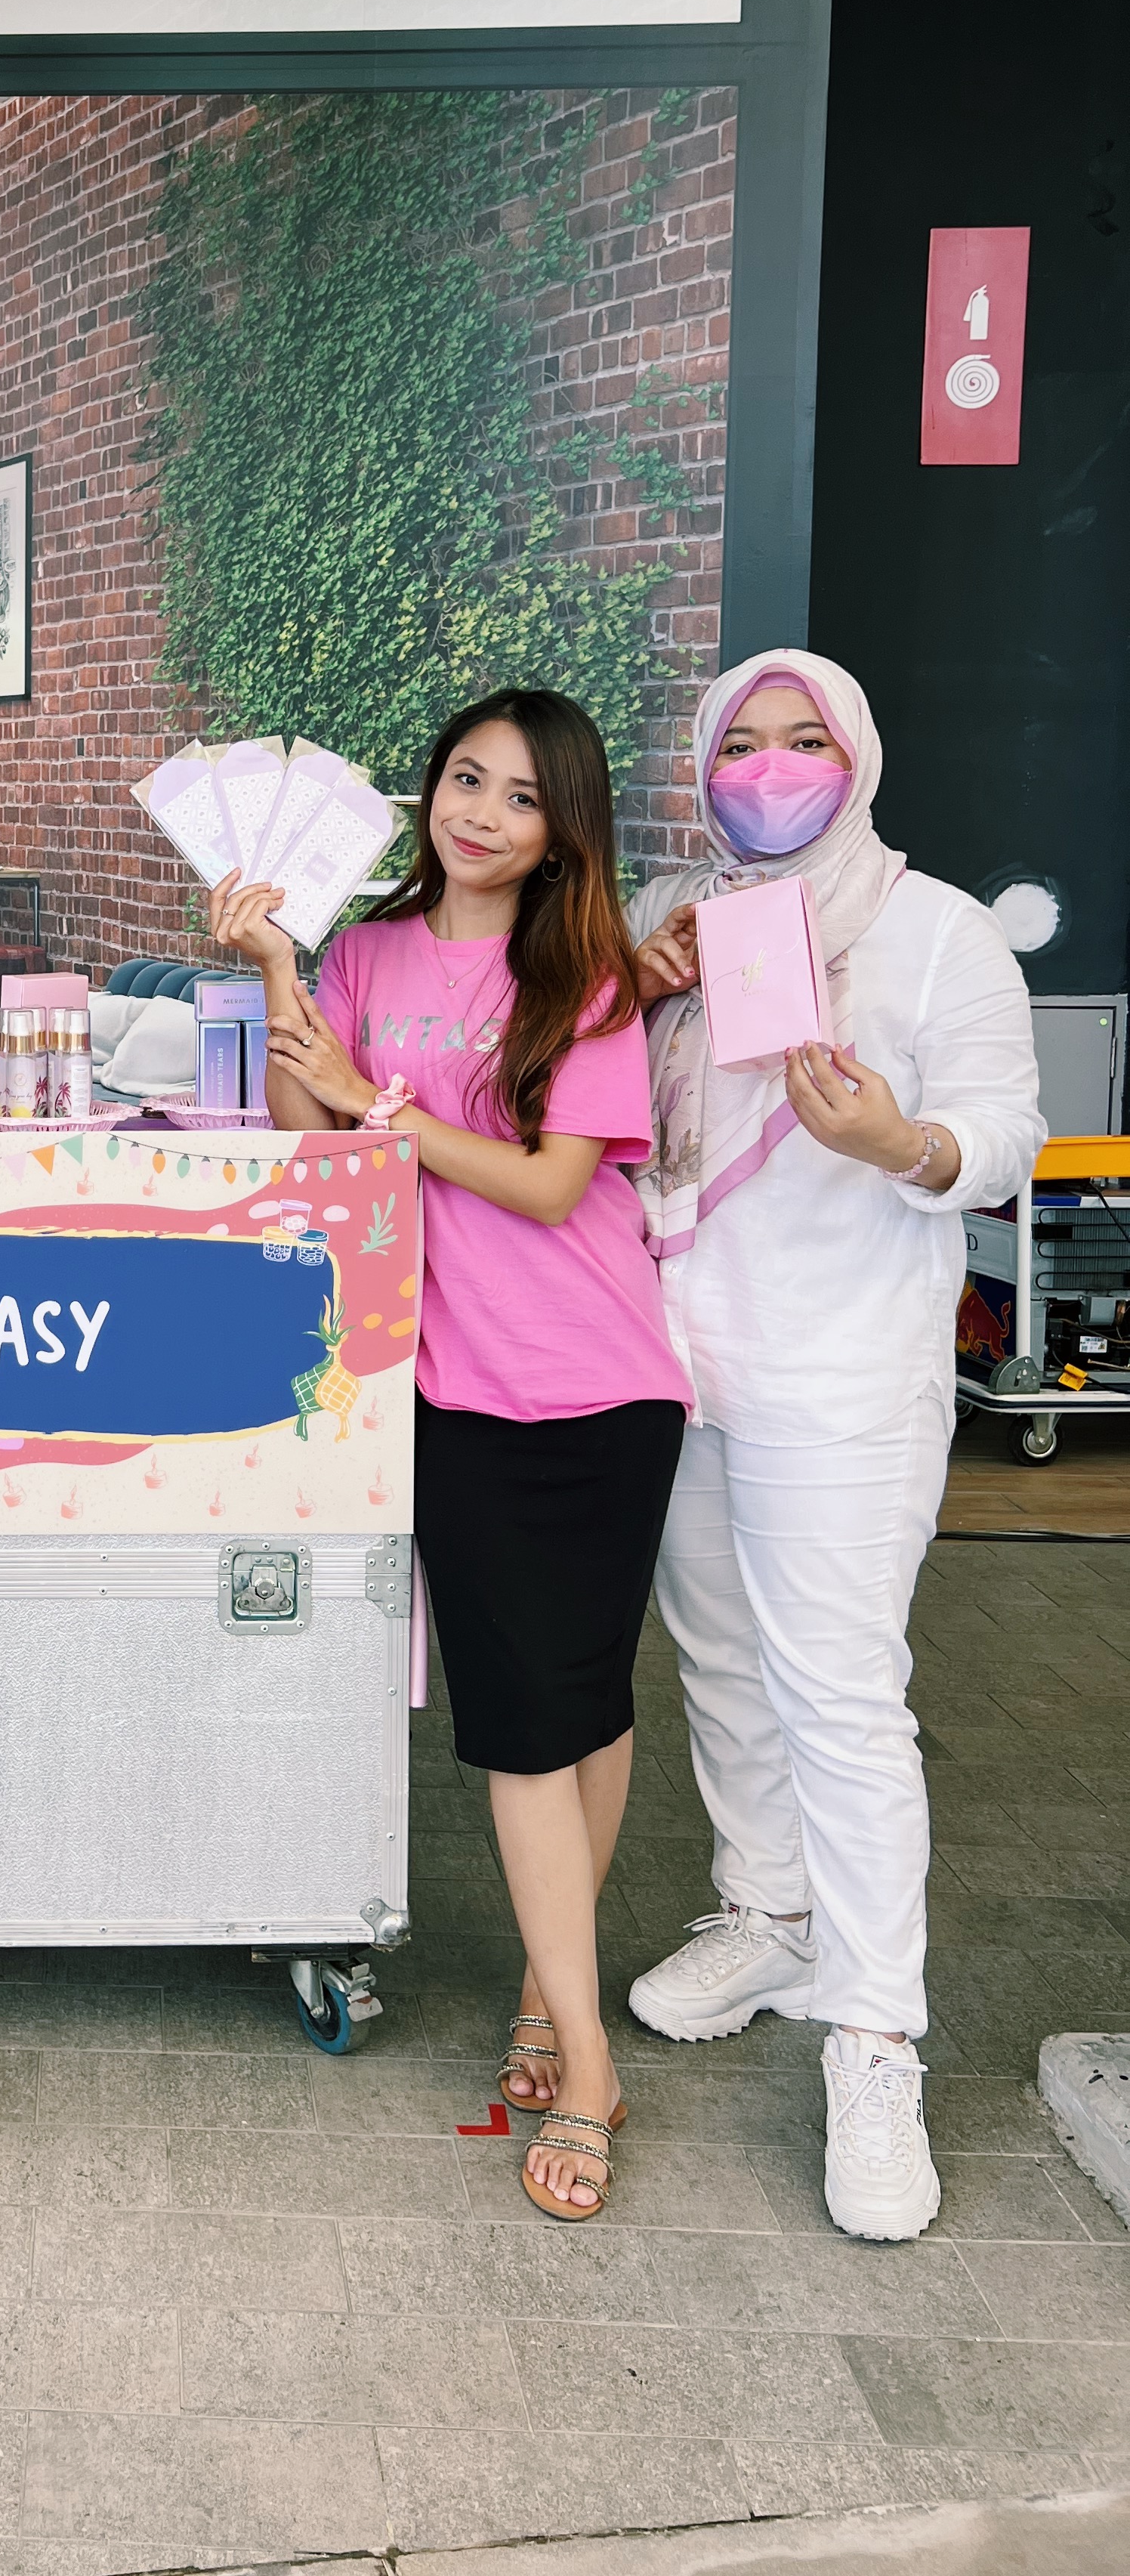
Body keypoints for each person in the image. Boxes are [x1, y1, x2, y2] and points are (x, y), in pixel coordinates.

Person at [211, 691, 690, 2222]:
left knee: (586, 1709)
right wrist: (280, 973)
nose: (482, 813)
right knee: (522, 1728)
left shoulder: (585, 978)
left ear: (562, 832)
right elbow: (316, 1142)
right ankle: (591, 2051)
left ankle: (558, 2007)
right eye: (466, 779)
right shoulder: (365, 957)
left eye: (522, 797)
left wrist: (388, 1112)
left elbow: (552, 1188)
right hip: (456, 1391)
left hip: (605, 1384)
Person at [623, 649, 1042, 2243]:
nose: (773, 766)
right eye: (743, 742)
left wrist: (900, 1141)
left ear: (856, 758)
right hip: (681, 1356)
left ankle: (876, 2039)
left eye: (805, 740)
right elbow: (594, 1104)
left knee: (845, 1702)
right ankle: (770, 1914)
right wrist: (634, 992)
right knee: (721, 1659)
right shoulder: (679, 916)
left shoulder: (935, 932)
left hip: (847, 1376)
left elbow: (1005, 1133)